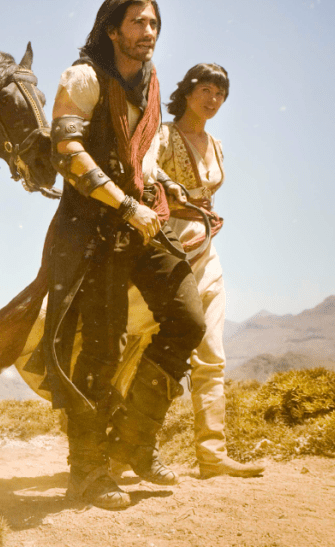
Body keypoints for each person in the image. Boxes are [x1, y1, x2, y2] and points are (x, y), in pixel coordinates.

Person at [0, 0, 205, 510]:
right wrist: (124, 204)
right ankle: (87, 470)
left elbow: (140, 156)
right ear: (112, 30)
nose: (148, 31)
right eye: (137, 22)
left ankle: (134, 440)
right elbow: (67, 152)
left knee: (187, 319)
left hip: (143, 219)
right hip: (90, 229)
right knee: (100, 350)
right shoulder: (83, 77)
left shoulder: (150, 83)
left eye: (153, 23)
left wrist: (165, 187)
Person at [119, 64, 264, 479]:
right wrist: (173, 191)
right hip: (167, 245)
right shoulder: (163, 135)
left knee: (212, 352)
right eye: (205, 90)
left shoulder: (216, 144)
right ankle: (120, 446)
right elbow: (145, 171)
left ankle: (212, 453)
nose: (213, 99)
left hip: (206, 249)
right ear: (186, 93)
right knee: (139, 343)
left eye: (220, 93)